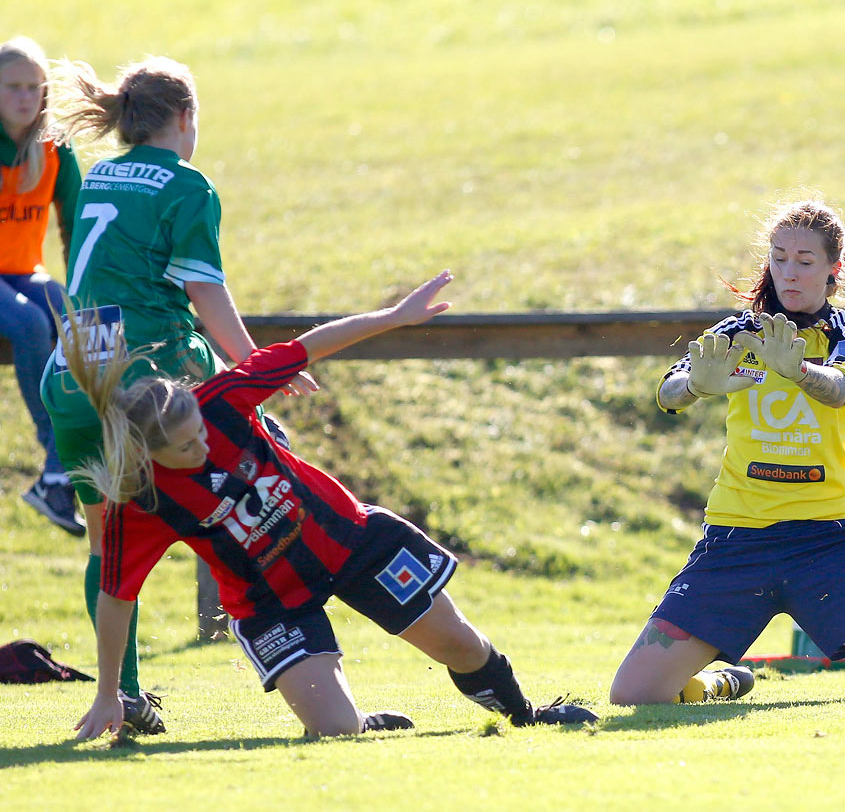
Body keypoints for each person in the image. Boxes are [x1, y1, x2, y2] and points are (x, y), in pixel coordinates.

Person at [70, 271, 597, 739]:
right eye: (186, 448)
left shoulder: (223, 400)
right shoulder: (141, 503)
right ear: (147, 453)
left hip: (349, 542)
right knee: (337, 730)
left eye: (201, 433)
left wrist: (395, 317)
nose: (203, 446)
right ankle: (363, 722)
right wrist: (109, 692)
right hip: (272, 601)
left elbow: (307, 346)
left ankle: (526, 715)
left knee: (461, 645)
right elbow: (116, 596)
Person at [42, 55, 311, 735]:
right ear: (185, 119)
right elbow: (205, 293)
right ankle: (309, 661)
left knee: (110, 544)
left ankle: (121, 694)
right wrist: (257, 363)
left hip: (72, 370)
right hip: (145, 367)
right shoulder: (186, 184)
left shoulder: (101, 173)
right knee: (257, 489)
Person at [610, 200, 845, 705]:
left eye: (805, 261)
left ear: (835, 268)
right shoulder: (735, 331)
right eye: (779, 257)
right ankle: (720, 681)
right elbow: (668, 392)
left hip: (827, 544)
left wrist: (800, 372)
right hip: (737, 541)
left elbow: (840, 387)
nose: (789, 272)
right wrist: (695, 387)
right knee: (632, 696)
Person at [0, 37, 83, 535]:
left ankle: (56, 475)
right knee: (32, 324)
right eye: (12, 87)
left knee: (81, 320)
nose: (24, 97)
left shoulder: (55, 146)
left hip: (24, 271)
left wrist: (84, 291)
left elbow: (74, 227)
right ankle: (54, 461)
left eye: (34, 86)